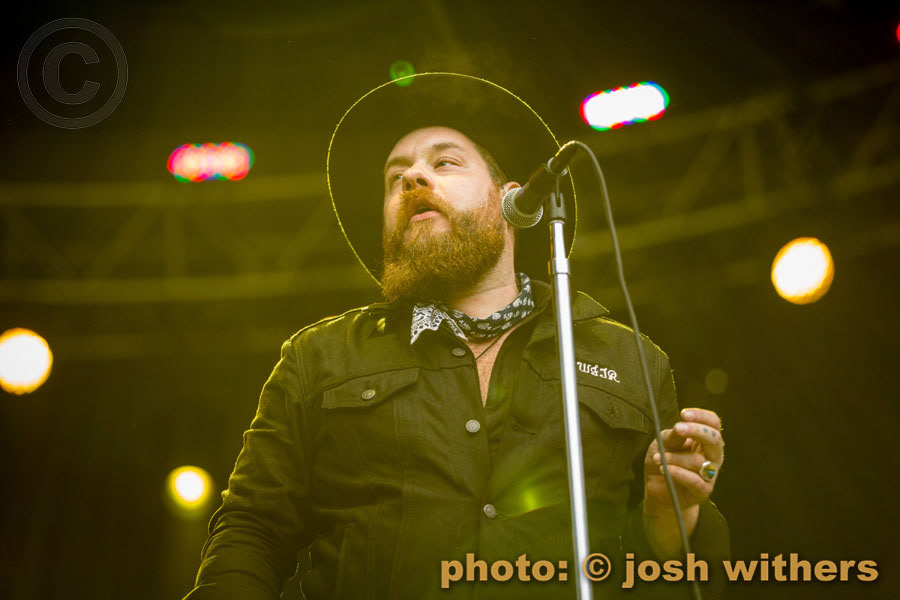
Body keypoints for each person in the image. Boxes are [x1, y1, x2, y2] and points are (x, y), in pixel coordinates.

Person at [185, 73, 729, 600]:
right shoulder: (319, 358)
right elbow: (252, 530)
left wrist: (670, 519)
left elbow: (676, 580)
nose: (412, 179)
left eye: (444, 163)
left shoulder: (629, 360)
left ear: (514, 201)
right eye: (395, 177)